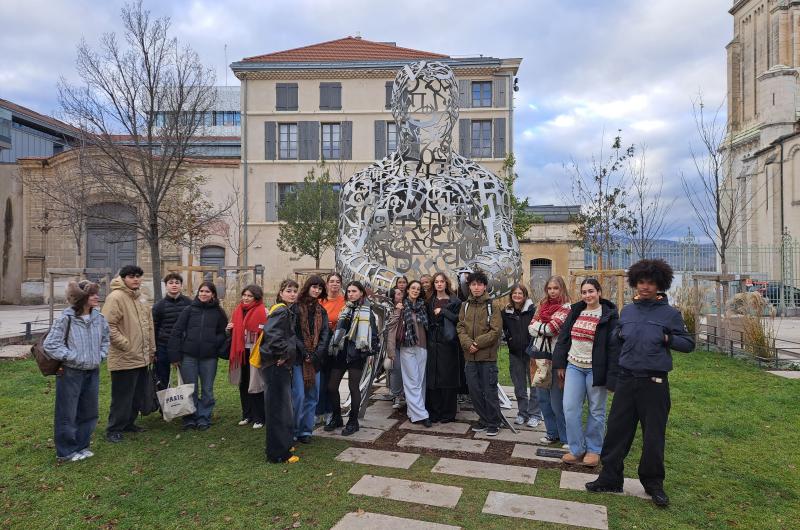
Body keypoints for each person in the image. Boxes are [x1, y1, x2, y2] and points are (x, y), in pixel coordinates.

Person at [586, 260, 695, 508]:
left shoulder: (670, 314)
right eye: (641, 282)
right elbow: (617, 340)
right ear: (635, 283)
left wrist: (667, 338)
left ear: (660, 285)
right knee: (616, 432)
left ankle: (653, 483)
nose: (645, 287)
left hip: (654, 383)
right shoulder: (628, 311)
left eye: (651, 283)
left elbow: (688, 344)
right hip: (626, 380)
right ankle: (610, 478)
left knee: (653, 436)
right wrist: (616, 335)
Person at [553, 278, 619, 467]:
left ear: (599, 292)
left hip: (596, 369)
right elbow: (564, 338)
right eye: (584, 292)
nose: (587, 295)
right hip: (574, 366)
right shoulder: (576, 311)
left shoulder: (609, 315)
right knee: (570, 408)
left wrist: (612, 377)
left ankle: (593, 450)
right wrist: (560, 364)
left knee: (596, 410)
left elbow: (614, 348)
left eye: (591, 291)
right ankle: (577, 449)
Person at [44, 280, 109, 462]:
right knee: (67, 412)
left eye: (96, 293)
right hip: (70, 373)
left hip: (92, 371)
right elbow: (51, 344)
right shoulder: (66, 318)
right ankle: (66, 451)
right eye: (92, 294)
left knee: (89, 411)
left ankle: (82, 445)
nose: (97, 297)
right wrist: (73, 357)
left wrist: (100, 355)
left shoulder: (99, 318)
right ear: (81, 298)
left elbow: (106, 339)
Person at [102, 265, 156, 443]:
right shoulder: (116, 297)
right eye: (132, 276)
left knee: (136, 394)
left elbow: (149, 326)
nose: (136, 279)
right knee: (122, 396)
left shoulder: (141, 297)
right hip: (124, 357)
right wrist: (126, 345)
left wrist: (151, 349)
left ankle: (129, 423)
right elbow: (108, 326)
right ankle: (114, 428)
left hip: (142, 356)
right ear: (123, 278)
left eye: (138, 276)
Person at [168, 281, 228, 431]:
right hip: (189, 356)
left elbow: (223, 333)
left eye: (207, 291)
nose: (203, 294)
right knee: (190, 388)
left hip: (209, 357)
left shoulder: (218, 312)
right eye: (201, 291)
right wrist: (174, 356)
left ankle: (203, 417)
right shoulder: (189, 310)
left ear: (213, 294)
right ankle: (190, 417)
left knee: (207, 389)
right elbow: (176, 331)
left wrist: (214, 342)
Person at [325, 281, 380, 436]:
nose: (351, 294)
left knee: (353, 387)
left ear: (361, 293)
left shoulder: (367, 312)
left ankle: (353, 421)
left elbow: (373, 335)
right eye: (349, 291)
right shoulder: (345, 308)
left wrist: (367, 353)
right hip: (341, 352)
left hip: (357, 353)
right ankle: (337, 417)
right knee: (332, 386)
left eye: (354, 291)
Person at [457, 270, 503, 436]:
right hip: (470, 357)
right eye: (473, 284)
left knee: (489, 390)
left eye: (479, 284)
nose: (476, 287)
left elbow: (495, 331)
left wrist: (477, 343)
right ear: (469, 286)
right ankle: (483, 419)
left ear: (485, 286)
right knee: (474, 390)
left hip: (487, 357)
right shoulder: (465, 306)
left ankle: (494, 421)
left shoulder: (492, 306)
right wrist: (468, 343)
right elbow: (460, 327)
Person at [259, 279, 300, 464]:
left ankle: (284, 444)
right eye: (288, 290)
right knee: (277, 409)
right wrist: (282, 354)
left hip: (278, 365)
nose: (292, 294)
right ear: (281, 293)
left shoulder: (286, 310)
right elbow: (273, 335)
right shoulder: (281, 310)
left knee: (283, 407)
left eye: (295, 291)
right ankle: (277, 454)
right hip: (275, 366)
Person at [528, 275, 572, 447]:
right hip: (539, 358)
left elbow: (552, 329)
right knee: (543, 400)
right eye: (550, 288)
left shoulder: (566, 308)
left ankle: (565, 437)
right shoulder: (542, 305)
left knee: (557, 402)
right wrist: (541, 327)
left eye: (556, 288)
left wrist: (539, 327)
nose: (552, 291)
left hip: (556, 360)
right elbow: (531, 327)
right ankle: (551, 433)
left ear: (562, 289)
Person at [291, 276, 330, 443]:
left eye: (320, 288)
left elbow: (325, 335)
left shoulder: (322, 311)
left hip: (315, 360)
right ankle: (293, 430)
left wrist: (315, 354)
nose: (317, 290)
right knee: (299, 395)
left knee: (312, 397)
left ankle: (305, 431)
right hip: (298, 359)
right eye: (314, 287)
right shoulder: (295, 308)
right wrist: (304, 351)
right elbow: (292, 332)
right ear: (307, 287)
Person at [387, 280, 431, 427]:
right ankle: (422, 415)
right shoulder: (401, 306)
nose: (415, 290)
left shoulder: (423, 306)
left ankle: (413, 413)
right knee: (412, 380)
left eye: (418, 289)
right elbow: (392, 328)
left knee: (420, 381)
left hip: (422, 346)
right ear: (407, 290)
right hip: (407, 347)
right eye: (413, 288)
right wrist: (391, 350)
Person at [501, 283, 543, 427]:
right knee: (519, 386)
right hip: (515, 353)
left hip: (532, 353)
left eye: (520, 293)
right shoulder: (506, 312)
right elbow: (504, 329)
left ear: (525, 295)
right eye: (515, 293)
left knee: (535, 385)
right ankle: (522, 413)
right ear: (511, 295)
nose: (517, 296)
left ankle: (535, 415)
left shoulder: (533, 310)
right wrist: (509, 339)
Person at [226, 284, 267, 429]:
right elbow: (236, 330)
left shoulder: (263, 311)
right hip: (241, 351)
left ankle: (259, 417)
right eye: (244, 295)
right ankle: (247, 415)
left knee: (255, 384)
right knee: (243, 383)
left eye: (250, 296)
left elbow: (266, 332)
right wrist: (229, 329)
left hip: (255, 352)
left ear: (256, 297)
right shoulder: (238, 310)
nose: (246, 298)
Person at [424, 272, 462, 423]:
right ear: (433, 284)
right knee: (433, 377)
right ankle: (434, 411)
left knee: (447, 377)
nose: (439, 284)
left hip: (448, 342)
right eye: (436, 282)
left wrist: (444, 311)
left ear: (446, 283)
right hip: (432, 342)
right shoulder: (429, 300)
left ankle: (448, 413)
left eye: (442, 281)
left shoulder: (455, 301)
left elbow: (459, 319)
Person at [151, 273, 191, 390]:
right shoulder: (159, 306)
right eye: (171, 283)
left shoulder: (189, 303)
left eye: (177, 283)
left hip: (183, 346)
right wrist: (154, 350)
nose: (174, 285)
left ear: (181, 286)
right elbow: (154, 328)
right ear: (166, 285)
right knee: (162, 378)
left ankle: (187, 400)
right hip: (163, 346)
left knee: (186, 378)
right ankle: (164, 401)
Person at [318, 273, 345, 424]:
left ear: (341, 284)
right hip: (320, 346)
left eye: (337, 282)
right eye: (332, 281)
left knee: (331, 382)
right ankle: (318, 411)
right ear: (327, 284)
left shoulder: (344, 302)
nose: (335, 284)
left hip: (336, 347)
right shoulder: (320, 301)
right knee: (320, 381)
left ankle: (330, 411)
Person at [388, 276, 408, 409]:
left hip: (406, 343)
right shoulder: (389, 308)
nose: (400, 295)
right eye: (397, 294)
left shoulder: (408, 305)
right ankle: (396, 395)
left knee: (407, 369)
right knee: (396, 369)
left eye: (404, 282)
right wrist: (397, 310)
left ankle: (405, 394)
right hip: (394, 343)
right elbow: (389, 326)